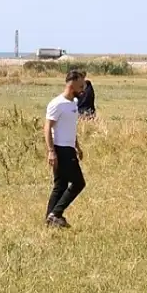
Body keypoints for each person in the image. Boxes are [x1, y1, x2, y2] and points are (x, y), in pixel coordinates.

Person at [44, 69, 88, 228]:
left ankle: (49, 221)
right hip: (60, 149)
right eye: (81, 83)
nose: (83, 87)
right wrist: (51, 151)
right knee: (78, 183)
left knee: (60, 185)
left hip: (69, 148)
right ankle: (56, 214)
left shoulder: (73, 104)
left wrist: (77, 146)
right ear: (73, 82)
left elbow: (70, 127)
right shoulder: (57, 104)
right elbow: (47, 127)